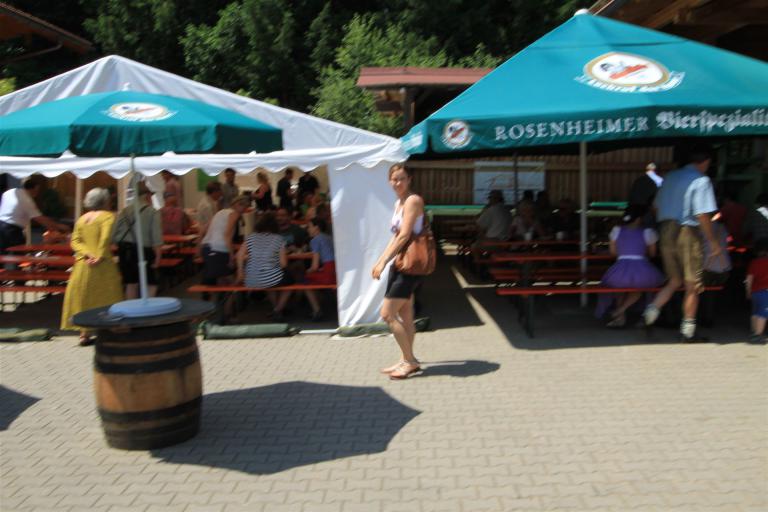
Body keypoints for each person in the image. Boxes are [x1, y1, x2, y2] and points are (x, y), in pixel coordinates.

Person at [643, 146, 720, 342]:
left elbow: (655, 207)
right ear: (706, 162)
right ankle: (688, 331)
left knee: (674, 281)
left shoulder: (670, 177)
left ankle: (651, 312)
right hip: (688, 232)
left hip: (666, 231)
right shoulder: (701, 180)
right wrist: (713, 242)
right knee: (692, 285)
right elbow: (702, 214)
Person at [371, 164, 424, 380]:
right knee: (406, 314)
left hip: (410, 266)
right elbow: (395, 236)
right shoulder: (398, 203)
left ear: (409, 179)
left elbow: (404, 236)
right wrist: (382, 259)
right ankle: (406, 359)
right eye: (394, 179)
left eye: (401, 178)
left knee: (387, 314)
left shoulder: (413, 200)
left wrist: (383, 262)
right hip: (401, 263)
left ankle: (410, 362)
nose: (397, 183)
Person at [60, 188, 123, 346]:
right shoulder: (108, 216)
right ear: (105, 201)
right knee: (108, 295)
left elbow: (75, 241)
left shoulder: (82, 219)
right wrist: (99, 256)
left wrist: (87, 254)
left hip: (83, 264)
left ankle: (84, 333)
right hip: (103, 264)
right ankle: (112, 329)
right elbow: (105, 238)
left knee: (83, 297)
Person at [595, 205, 665, 327]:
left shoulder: (616, 230)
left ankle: (619, 316)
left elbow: (613, 252)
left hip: (620, 266)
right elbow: (652, 253)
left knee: (619, 290)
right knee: (639, 289)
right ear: (639, 219)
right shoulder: (647, 232)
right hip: (642, 267)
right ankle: (620, 312)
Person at [236, 212, 293, 320]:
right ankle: (278, 310)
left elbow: (239, 255)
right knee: (290, 284)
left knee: (270, 283)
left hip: (251, 279)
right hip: (270, 278)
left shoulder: (251, 237)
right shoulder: (279, 239)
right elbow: (283, 264)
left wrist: (240, 271)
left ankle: (276, 309)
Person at [113, 182, 164, 299]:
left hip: (125, 251)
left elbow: (114, 235)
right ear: (147, 196)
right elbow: (156, 237)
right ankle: (147, 305)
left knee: (131, 284)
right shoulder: (152, 211)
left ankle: (132, 307)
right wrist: (158, 257)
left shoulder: (124, 211)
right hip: (144, 251)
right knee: (151, 283)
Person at [0, 175, 69, 256]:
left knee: (2, 253)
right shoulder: (26, 199)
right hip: (12, 230)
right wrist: (59, 226)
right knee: (18, 253)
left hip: (1, 224)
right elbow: (40, 219)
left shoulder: (10, 192)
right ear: (35, 188)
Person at [199, 195, 250, 287]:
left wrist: (198, 248)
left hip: (207, 248)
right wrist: (231, 256)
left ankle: (221, 295)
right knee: (231, 277)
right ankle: (233, 294)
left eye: (246, 207)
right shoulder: (234, 214)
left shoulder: (220, 212)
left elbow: (203, 230)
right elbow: (227, 236)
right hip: (218, 249)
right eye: (243, 206)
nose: (244, 209)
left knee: (222, 279)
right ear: (236, 204)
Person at [304, 217, 336, 320]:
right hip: (336, 271)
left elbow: (314, 266)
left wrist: (307, 271)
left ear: (316, 228)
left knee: (305, 281)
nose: (308, 229)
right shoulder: (329, 237)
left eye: (309, 226)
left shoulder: (315, 240)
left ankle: (317, 310)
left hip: (328, 273)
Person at [746, 239, 768, 344]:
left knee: (755, 312)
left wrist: (748, 292)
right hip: (765, 292)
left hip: (755, 291)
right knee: (763, 313)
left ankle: (754, 332)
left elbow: (749, 279)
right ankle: (758, 335)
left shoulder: (754, 262)